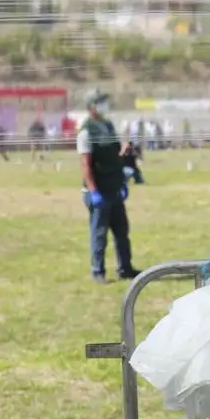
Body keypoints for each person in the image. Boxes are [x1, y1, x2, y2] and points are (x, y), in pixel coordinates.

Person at [74, 90, 137, 284]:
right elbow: (86, 164)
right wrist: (94, 192)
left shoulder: (108, 126)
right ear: (92, 106)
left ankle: (125, 268)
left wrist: (122, 178)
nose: (104, 105)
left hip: (114, 187)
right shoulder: (86, 131)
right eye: (101, 102)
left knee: (121, 232)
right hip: (99, 191)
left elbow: (113, 158)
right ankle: (98, 271)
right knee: (99, 233)